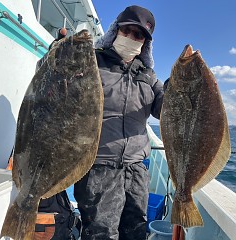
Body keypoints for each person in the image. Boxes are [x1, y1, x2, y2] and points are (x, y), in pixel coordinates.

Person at [74, 5, 166, 240]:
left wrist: (179, 88)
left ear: (145, 44)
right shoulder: (90, 63)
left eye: (139, 35)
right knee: (100, 234)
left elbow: (163, 110)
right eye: (128, 31)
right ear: (116, 30)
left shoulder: (148, 76)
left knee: (136, 231)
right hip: (98, 169)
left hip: (136, 170)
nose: (132, 38)